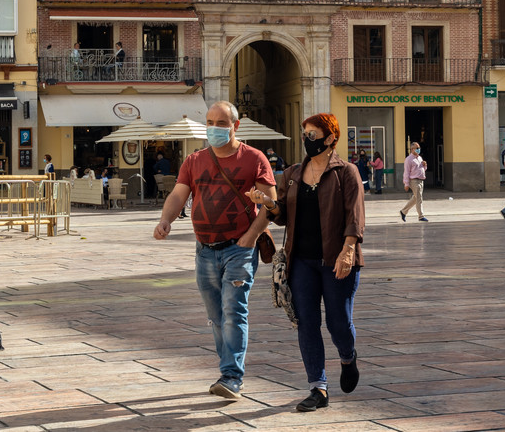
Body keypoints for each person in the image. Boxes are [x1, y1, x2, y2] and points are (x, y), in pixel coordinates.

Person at [152, 101, 276, 400]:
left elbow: (272, 203)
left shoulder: (254, 158)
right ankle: (227, 370)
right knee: (216, 316)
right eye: (209, 121)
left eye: (221, 123)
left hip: (238, 249)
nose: (214, 128)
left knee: (233, 312)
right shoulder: (194, 161)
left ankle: (232, 376)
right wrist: (165, 220)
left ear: (235, 126)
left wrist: (250, 236)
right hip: (205, 250)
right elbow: (178, 194)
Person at [247, 113, 364, 412]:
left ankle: (348, 357)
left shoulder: (346, 172)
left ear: (330, 138)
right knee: (307, 324)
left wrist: (348, 250)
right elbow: (283, 215)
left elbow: (355, 216)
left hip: (337, 259)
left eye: (312, 135)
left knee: (339, 323)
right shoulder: (293, 174)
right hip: (301, 261)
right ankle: (318, 387)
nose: (306, 140)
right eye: (304, 134)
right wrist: (269, 203)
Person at [400, 142, 427, 222]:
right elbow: (406, 172)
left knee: (415, 198)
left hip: (421, 180)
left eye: (419, 148)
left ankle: (403, 211)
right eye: (417, 148)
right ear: (412, 149)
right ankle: (421, 216)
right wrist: (406, 183)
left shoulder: (420, 158)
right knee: (419, 198)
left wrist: (425, 165)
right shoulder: (408, 159)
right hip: (414, 181)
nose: (418, 149)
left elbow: (422, 169)